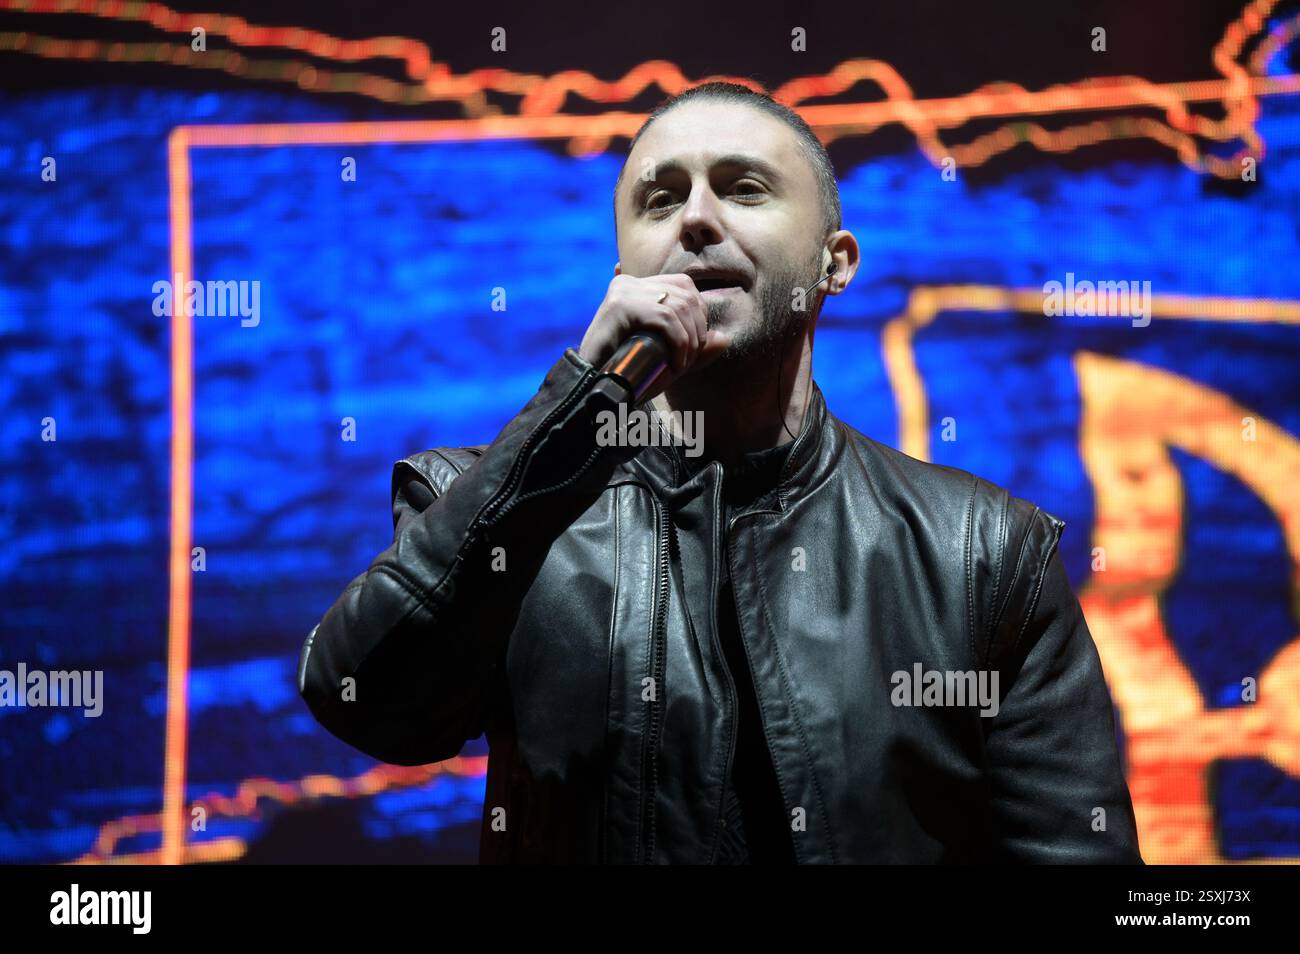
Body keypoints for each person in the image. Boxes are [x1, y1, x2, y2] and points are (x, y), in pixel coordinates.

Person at [297, 81, 1143, 864]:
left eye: (743, 189)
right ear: (622, 268)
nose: (695, 221)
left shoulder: (984, 556)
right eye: (660, 199)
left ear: (834, 264)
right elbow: (364, 700)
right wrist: (572, 416)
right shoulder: (481, 501)